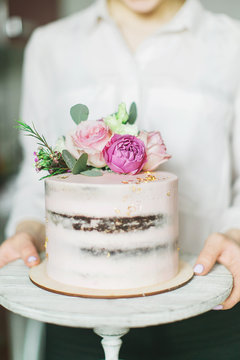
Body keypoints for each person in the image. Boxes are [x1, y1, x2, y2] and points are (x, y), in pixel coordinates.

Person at [1, 0, 240, 358]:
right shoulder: (51, 45)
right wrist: (28, 230)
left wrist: (236, 235)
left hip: (208, 299)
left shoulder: (232, 43)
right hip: (77, 307)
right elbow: (38, 180)